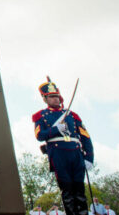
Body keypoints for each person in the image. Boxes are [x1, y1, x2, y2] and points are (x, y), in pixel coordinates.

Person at [33, 77, 94, 215]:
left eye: (57, 96)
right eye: (52, 97)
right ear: (45, 99)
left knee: (79, 191)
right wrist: (56, 129)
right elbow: (39, 135)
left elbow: (86, 137)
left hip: (76, 153)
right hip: (59, 154)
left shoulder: (72, 115)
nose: (55, 99)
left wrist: (89, 157)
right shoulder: (41, 116)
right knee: (67, 191)